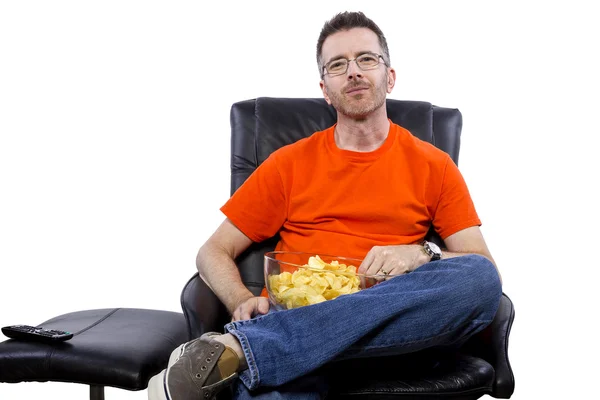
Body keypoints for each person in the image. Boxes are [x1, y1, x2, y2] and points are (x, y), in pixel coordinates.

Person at [148, 10, 502, 400]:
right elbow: (211, 251)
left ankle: (244, 349)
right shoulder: (289, 163)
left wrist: (422, 254)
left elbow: (481, 265)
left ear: (390, 76)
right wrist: (241, 299)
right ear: (325, 88)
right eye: (337, 64)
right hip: (299, 323)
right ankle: (273, 347)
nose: (353, 71)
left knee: (480, 279)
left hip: (396, 331)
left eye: (366, 59)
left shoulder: (434, 165)